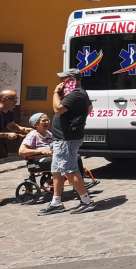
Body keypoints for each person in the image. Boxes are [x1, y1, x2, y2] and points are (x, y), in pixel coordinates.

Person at [39, 69, 95, 215]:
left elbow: (57, 108)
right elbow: (89, 108)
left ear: (71, 80)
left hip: (67, 139)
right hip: (62, 138)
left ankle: (86, 202)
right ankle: (56, 202)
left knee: (70, 170)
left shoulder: (76, 93)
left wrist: (55, 93)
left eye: (63, 79)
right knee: (56, 170)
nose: (60, 82)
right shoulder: (79, 93)